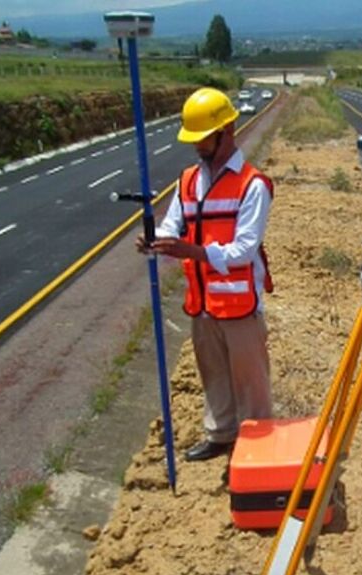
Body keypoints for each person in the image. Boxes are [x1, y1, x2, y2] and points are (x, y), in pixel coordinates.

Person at [137, 87, 273, 462]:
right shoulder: (187, 181)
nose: (196, 147)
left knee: (251, 384)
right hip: (204, 301)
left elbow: (244, 250)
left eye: (202, 139)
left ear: (226, 131)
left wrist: (191, 251)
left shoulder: (253, 185)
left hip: (241, 304)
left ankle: (258, 450)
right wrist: (156, 242)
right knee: (212, 374)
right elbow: (172, 226)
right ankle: (222, 435)